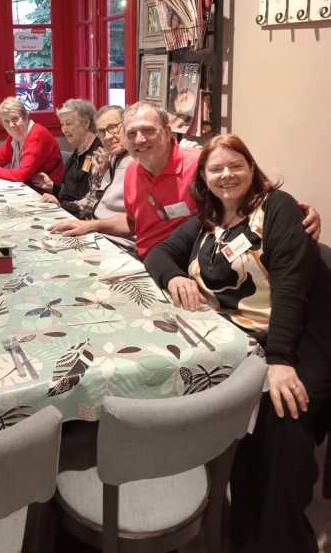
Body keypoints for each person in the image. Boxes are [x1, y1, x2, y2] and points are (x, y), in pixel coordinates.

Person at [144, 134, 331, 553]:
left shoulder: (277, 209)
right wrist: (174, 277)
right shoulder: (208, 221)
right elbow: (157, 255)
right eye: (216, 169)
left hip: (293, 338)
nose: (227, 175)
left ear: (251, 169)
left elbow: (291, 289)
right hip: (236, 342)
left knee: (281, 413)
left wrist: (280, 360)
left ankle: (280, 537)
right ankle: (233, 519)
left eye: (236, 166)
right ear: (204, 178)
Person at [49, 101, 320, 255]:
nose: (139, 139)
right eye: (132, 134)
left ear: (168, 132)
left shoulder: (198, 162)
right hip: (143, 261)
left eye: (148, 131)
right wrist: (92, 226)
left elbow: (258, 194)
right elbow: (134, 222)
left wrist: (301, 213)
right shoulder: (133, 170)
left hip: (186, 267)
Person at [48, 104, 134, 248]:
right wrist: (61, 205)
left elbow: (135, 220)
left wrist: (89, 224)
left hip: (116, 241)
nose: (107, 137)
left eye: (113, 127)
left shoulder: (137, 160)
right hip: (97, 231)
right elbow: (93, 199)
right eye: (102, 131)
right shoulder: (111, 157)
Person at [33, 98, 100, 216]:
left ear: (86, 123)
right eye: (62, 124)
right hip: (67, 211)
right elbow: (72, 191)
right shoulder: (77, 153)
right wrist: (52, 186)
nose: (64, 130)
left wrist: (60, 206)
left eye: (68, 124)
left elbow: (91, 201)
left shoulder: (99, 154)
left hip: (80, 217)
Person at [0, 97, 63, 185]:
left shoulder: (37, 134)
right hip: (28, 187)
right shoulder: (14, 137)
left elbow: (23, 174)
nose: (11, 125)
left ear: (25, 117)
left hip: (46, 190)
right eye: (6, 121)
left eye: (15, 119)